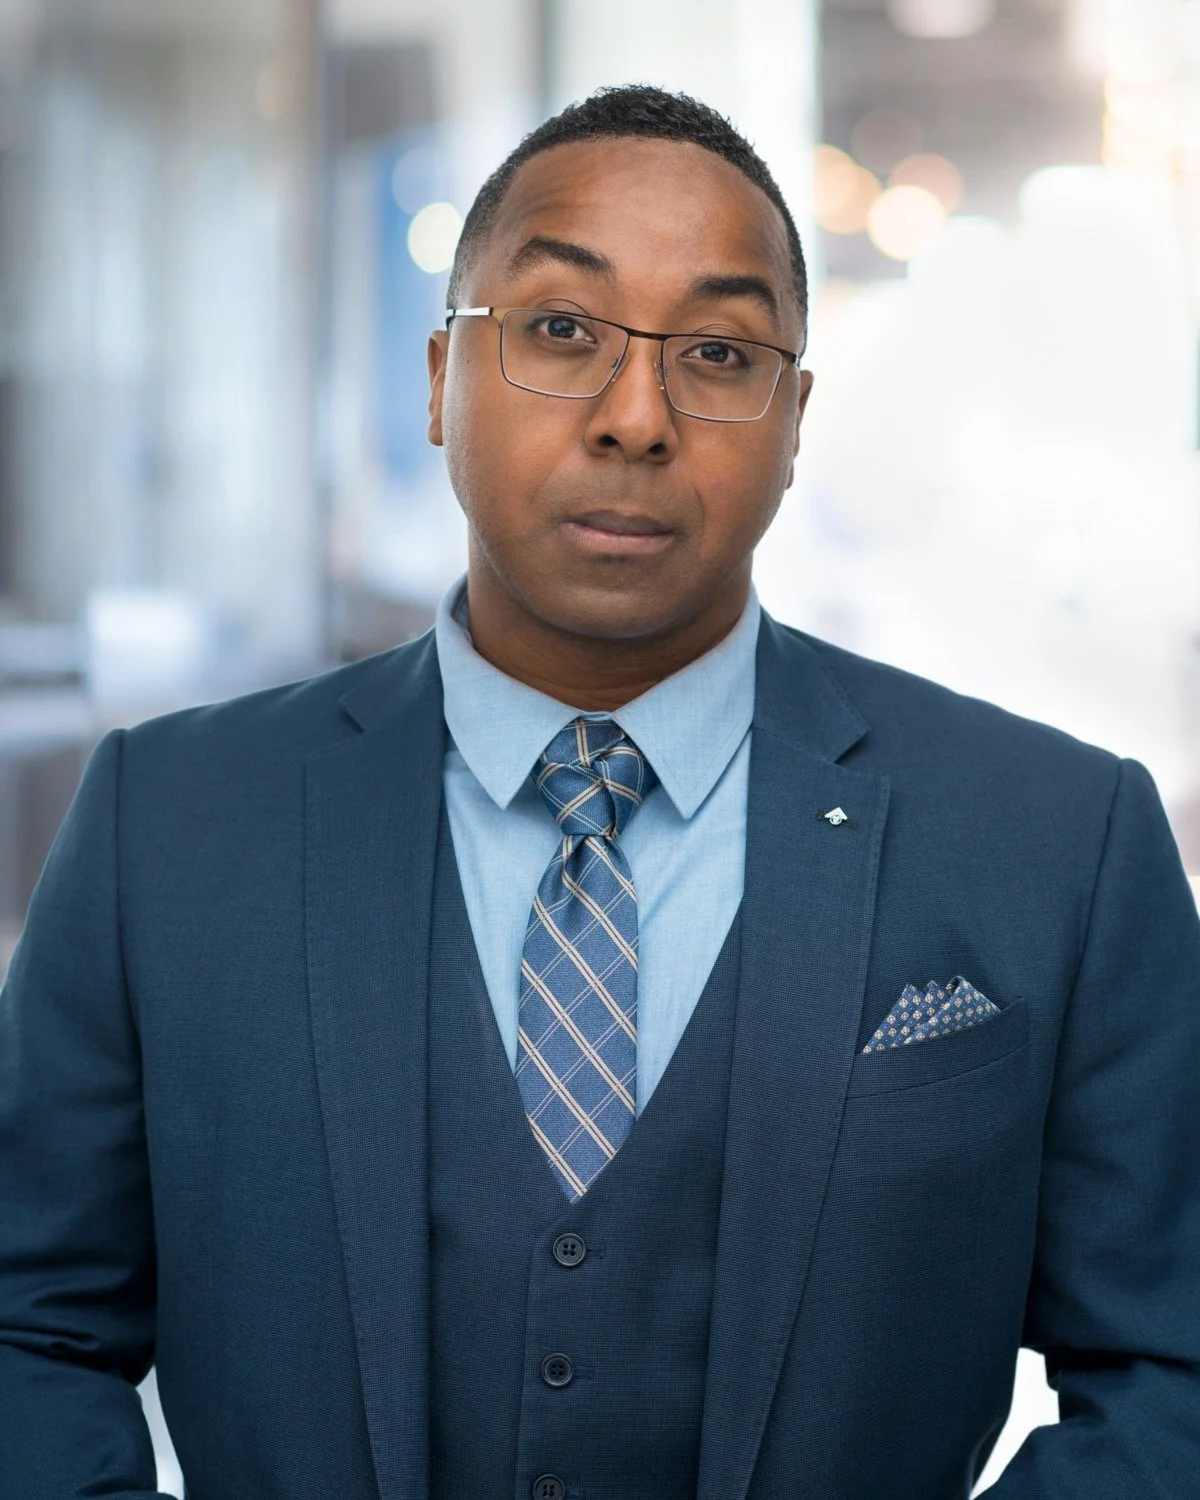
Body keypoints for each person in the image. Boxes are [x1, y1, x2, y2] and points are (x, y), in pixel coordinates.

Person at [1, 84, 1198, 1500]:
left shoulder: (1059, 839)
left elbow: (1166, 1373)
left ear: (795, 419)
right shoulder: (172, 827)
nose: (638, 416)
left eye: (719, 350)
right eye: (563, 331)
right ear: (443, 376)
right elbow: (29, 1331)